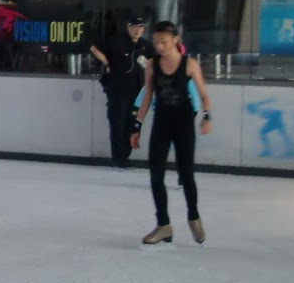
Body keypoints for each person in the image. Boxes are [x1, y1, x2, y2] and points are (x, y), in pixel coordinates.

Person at [131, 21, 212, 245]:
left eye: (164, 41)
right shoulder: (151, 65)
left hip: (184, 122)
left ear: (175, 40)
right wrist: (137, 126)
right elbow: (147, 96)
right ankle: (163, 224)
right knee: (155, 174)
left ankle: (193, 217)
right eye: (156, 41)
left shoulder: (189, 64)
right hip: (162, 122)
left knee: (186, 174)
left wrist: (207, 117)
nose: (159, 46)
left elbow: (204, 95)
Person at [91, 16, 150, 167]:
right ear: (129, 26)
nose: (138, 30)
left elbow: (155, 60)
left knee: (132, 122)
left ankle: (126, 154)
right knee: (117, 122)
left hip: (136, 90)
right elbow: (94, 48)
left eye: (141, 27)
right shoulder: (116, 41)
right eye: (135, 26)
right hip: (117, 89)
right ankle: (118, 157)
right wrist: (107, 63)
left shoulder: (144, 45)